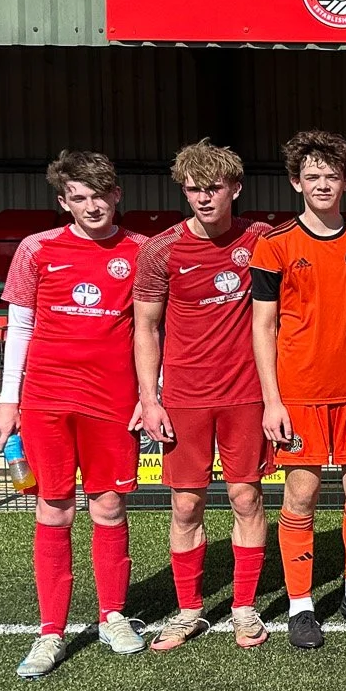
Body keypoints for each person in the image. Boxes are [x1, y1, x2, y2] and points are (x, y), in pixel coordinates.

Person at [0, 151, 147, 679]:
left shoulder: (141, 252)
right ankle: (50, 632)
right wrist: (7, 400)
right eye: (78, 197)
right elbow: (19, 328)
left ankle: (113, 615)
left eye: (99, 194)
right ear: (63, 202)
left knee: (108, 510)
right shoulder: (36, 249)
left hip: (112, 402)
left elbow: (154, 332)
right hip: (46, 401)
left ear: (117, 195)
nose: (91, 206)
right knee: (53, 512)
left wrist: (150, 394)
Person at [250, 131, 346, 650]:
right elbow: (262, 327)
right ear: (295, 182)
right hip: (300, 390)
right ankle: (302, 605)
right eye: (312, 176)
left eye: (332, 175)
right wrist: (272, 399)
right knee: (302, 493)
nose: (322, 184)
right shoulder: (275, 244)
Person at [134, 140, 271, 652]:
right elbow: (145, 328)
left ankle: (244, 607)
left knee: (246, 496)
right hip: (185, 397)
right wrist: (150, 398)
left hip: (246, 394)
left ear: (235, 188)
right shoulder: (161, 249)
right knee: (186, 504)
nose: (203, 198)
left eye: (214, 188)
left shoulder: (260, 240)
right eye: (193, 189)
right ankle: (190, 609)